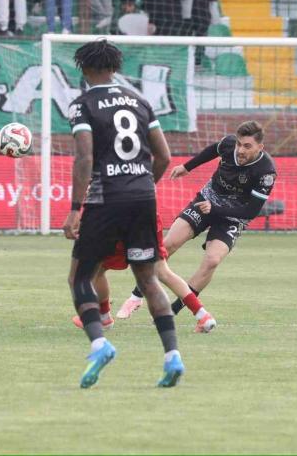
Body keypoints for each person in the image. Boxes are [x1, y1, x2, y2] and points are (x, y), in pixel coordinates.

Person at [65, 39, 184, 388]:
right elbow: (164, 156)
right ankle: (172, 356)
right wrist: (143, 185)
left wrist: (75, 209)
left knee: (80, 277)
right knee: (148, 280)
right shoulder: (140, 101)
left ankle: (99, 344)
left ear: (85, 69)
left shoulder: (83, 104)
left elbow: (84, 158)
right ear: (115, 68)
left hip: (106, 198)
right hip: (143, 196)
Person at [117, 121, 277, 320]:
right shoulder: (229, 145)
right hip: (206, 200)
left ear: (260, 147)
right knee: (168, 244)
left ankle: (173, 311)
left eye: (247, 146)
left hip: (233, 216)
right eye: (239, 144)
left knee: (212, 260)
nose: (240, 150)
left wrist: (215, 209)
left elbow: (250, 211)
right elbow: (212, 151)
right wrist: (187, 167)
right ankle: (136, 297)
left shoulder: (266, 172)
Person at [70, 213, 217, 333]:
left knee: (97, 268)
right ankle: (203, 315)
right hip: (148, 214)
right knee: (163, 272)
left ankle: (104, 317)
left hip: (119, 218)